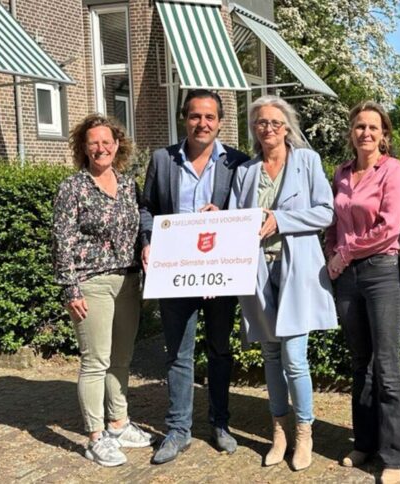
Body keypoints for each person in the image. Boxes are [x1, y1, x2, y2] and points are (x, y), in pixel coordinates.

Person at [139, 89, 250, 464]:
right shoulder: (163, 159)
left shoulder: (237, 162)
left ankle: (220, 423)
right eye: (195, 116)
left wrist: (225, 214)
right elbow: (147, 207)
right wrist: (147, 241)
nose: (202, 123)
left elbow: (247, 212)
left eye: (209, 117)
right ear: (184, 118)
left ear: (220, 122)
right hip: (176, 274)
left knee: (220, 351)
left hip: (220, 273)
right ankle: (178, 429)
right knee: (178, 354)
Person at [229, 95, 337, 471]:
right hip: (258, 271)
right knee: (271, 355)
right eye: (261, 122)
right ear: (253, 128)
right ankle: (279, 432)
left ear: (287, 127)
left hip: (296, 270)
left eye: (275, 122)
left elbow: (326, 211)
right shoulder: (246, 172)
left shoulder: (308, 162)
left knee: (294, 357)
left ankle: (304, 434)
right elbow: (235, 221)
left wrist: (282, 220)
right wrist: (217, 217)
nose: (268, 128)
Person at [52, 114, 154, 466]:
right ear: (83, 147)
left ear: (117, 144)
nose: (101, 148)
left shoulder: (128, 185)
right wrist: (71, 288)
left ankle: (118, 423)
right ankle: (95, 437)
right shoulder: (73, 187)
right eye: (93, 142)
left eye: (106, 141)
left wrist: (147, 247)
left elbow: (140, 228)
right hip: (91, 283)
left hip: (128, 280)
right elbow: (61, 241)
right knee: (95, 360)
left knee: (121, 358)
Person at [325, 101, 400, 484]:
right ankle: (364, 443)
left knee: (386, 366)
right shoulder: (341, 173)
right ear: (351, 132)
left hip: (379, 272)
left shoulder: (393, 171)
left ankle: (395, 455)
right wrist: (331, 252)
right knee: (360, 362)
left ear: (384, 134)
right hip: (347, 277)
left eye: (374, 127)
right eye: (360, 126)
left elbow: (390, 227)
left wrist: (344, 253)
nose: (366, 133)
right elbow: (333, 222)